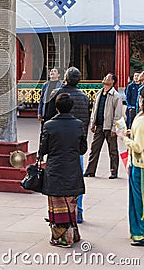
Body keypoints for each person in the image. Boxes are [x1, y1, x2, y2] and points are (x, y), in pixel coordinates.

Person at [39, 93, 87, 248]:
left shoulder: (49, 125)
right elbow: (83, 148)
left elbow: (43, 149)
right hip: (72, 168)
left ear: (57, 107)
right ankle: (73, 232)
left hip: (55, 169)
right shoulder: (78, 124)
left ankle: (62, 237)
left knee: (57, 204)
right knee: (70, 202)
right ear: (71, 107)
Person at [45, 67, 90, 224]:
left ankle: (56, 213)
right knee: (76, 180)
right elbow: (86, 122)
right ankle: (78, 212)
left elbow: (47, 120)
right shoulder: (84, 98)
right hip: (75, 145)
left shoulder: (55, 94)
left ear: (65, 78)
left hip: (57, 145)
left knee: (56, 180)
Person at [116, 87, 144, 246]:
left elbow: (139, 147)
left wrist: (123, 138)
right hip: (138, 163)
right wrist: (128, 133)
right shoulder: (140, 117)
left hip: (140, 165)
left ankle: (140, 233)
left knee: (138, 201)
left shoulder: (141, 120)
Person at [84, 73, 123, 179]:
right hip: (99, 125)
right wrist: (93, 123)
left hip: (109, 126)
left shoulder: (116, 96)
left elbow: (118, 114)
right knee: (94, 149)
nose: (104, 78)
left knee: (113, 150)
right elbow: (94, 110)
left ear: (112, 81)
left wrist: (114, 128)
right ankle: (90, 170)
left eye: (107, 77)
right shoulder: (99, 93)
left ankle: (113, 171)